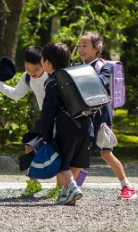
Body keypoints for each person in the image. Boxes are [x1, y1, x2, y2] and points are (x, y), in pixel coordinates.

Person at [0, 46, 61, 198]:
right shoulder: (27, 77)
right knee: (29, 144)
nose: (32, 73)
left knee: (58, 149)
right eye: (28, 68)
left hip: (60, 118)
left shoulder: (54, 75)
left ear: (45, 64)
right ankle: (33, 183)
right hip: (45, 117)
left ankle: (60, 187)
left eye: (36, 69)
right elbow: (16, 94)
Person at [76, 31, 137, 200]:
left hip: (101, 115)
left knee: (105, 153)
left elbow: (102, 84)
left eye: (84, 46)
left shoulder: (104, 67)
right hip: (84, 114)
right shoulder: (77, 67)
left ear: (97, 48)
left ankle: (127, 186)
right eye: (79, 46)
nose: (80, 49)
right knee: (80, 150)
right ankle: (72, 188)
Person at [40, 42, 94, 205]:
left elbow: (47, 113)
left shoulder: (52, 82)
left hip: (68, 129)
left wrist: (46, 135)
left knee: (62, 162)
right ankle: (65, 194)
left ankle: (74, 188)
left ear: (47, 62)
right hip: (87, 126)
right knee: (77, 162)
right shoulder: (76, 75)